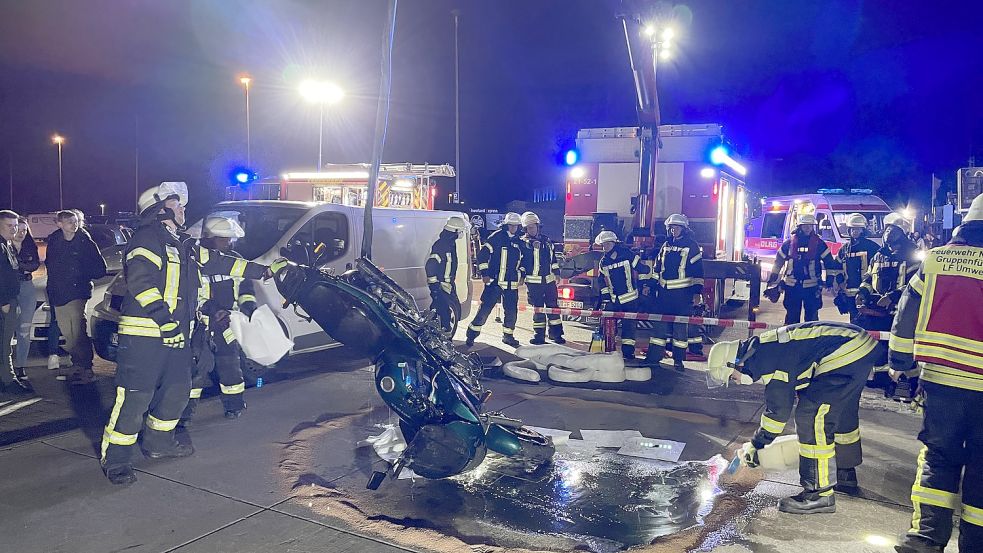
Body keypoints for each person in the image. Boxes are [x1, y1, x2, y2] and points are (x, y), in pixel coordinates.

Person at [100, 182, 270, 485]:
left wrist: (267, 270)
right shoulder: (146, 239)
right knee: (135, 398)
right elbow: (141, 282)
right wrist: (165, 322)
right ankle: (117, 461)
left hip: (177, 337)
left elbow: (221, 262)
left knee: (177, 391)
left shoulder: (182, 244)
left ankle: (158, 443)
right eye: (178, 205)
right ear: (160, 208)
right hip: (145, 337)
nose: (183, 209)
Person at [889, 193, 983, 553]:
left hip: (942, 383)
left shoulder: (937, 259)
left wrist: (900, 365)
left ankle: (926, 539)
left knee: (939, 458)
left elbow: (905, 314)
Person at [705, 321, 879, 513]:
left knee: (811, 417)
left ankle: (818, 494)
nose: (736, 382)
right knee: (842, 413)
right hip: (859, 346)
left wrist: (757, 444)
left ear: (736, 363)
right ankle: (845, 472)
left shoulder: (767, 361)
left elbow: (777, 414)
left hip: (846, 352)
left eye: (732, 377)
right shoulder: (763, 349)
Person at [181, 216, 260, 423]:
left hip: (227, 325)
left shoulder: (234, 258)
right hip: (202, 326)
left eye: (230, 239)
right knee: (196, 371)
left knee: (231, 367)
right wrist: (213, 309)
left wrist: (249, 307)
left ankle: (234, 405)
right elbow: (192, 295)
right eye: (224, 239)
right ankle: (184, 414)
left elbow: (246, 289)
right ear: (209, 238)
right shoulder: (195, 260)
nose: (228, 243)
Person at [45, 210, 107, 384]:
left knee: (78, 330)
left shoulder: (85, 242)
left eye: (75, 221)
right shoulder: (55, 241)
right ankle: (78, 364)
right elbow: (52, 267)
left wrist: (80, 273)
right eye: (69, 222)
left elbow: (99, 268)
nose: (74, 225)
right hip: (59, 293)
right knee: (68, 332)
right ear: (60, 224)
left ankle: (85, 368)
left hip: (78, 292)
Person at [857, 212, 919, 383]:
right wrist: (862, 293)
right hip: (877, 310)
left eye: (893, 231)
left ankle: (907, 382)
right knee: (877, 347)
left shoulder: (912, 255)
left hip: (900, 311)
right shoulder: (878, 255)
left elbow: (913, 284)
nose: (888, 234)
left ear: (902, 234)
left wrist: (893, 296)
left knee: (899, 347)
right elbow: (869, 278)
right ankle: (879, 378)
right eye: (887, 230)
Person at [642, 214, 703, 371]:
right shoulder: (666, 245)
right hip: (664, 295)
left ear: (683, 229)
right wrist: (651, 284)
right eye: (671, 228)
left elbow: (698, 271)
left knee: (679, 330)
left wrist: (697, 293)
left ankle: (678, 360)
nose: (673, 230)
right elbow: (657, 268)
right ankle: (654, 358)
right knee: (659, 328)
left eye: (676, 227)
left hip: (682, 295)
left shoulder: (692, 246)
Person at [764, 213, 841, 324]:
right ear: (799, 226)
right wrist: (773, 276)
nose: (808, 228)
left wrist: (830, 279)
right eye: (805, 225)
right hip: (792, 287)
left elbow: (829, 263)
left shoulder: (819, 244)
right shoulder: (789, 243)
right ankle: (791, 340)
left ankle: (810, 340)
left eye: (810, 225)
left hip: (812, 287)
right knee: (791, 317)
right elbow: (779, 260)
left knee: (811, 319)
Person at [466, 212, 523, 348]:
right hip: (494, 282)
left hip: (511, 283)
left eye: (516, 226)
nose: (513, 228)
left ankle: (508, 336)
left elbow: (525, 262)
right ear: (506, 225)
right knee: (484, 310)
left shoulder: (520, 241)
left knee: (511, 311)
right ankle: (471, 335)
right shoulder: (496, 238)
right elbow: (482, 256)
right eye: (511, 225)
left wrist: (521, 275)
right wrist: (485, 274)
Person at [596, 230, 650, 360]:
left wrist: (644, 286)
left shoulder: (627, 254)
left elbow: (644, 270)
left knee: (629, 327)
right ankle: (610, 350)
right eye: (603, 245)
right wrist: (606, 298)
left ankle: (628, 353)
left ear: (614, 243)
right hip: (614, 300)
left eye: (607, 244)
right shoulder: (604, 262)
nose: (605, 247)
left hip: (630, 298)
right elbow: (601, 280)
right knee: (608, 325)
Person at [518, 211, 565, 345]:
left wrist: (556, 273)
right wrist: (521, 276)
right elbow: (521, 262)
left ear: (538, 227)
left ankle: (556, 335)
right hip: (533, 283)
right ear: (525, 229)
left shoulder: (547, 241)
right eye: (529, 227)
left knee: (553, 308)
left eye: (534, 226)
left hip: (549, 282)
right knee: (538, 309)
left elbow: (553, 259)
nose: (532, 229)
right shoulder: (523, 243)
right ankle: (539, 336)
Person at [0, 210, 33, 397]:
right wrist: (4, 301)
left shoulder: (7, 245)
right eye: (9, 226)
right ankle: (8, 380)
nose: (13, 229)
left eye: (15, 225)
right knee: (5, 344)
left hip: (10, 300)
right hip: (5, 302)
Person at [834, 213, 881, 323]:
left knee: (867, 321)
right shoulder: (844, 249)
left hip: (866, 291)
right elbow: (837, 267)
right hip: (849, 292)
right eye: (853, 229)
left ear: (863, 230)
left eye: (858, 229)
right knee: (854, 321)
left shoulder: (872, 247)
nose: (855, 231)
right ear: (849, 230)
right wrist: (840, 281)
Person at [11, 217, 40, 384]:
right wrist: (24, 265)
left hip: (27, 287)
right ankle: (6, 366)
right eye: (18, 229)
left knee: (24, 330)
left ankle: (21, 366)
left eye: (24, 230)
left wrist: (21, 266)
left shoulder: (29, 246)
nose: (21, 233)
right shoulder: (5, 247)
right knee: (8, 329)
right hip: (10, 289)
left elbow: (35, 264)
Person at [425, 217, 465, 332]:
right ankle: (444, 340)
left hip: (447, 285)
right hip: (441, 286)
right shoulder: (442, 245)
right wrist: (434, 286)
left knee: (441, 312)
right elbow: (431, 265)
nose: (461, 234)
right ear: (455, 231)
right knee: (444, 314)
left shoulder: (449, 243)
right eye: (460, 231)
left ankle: (440, 337)